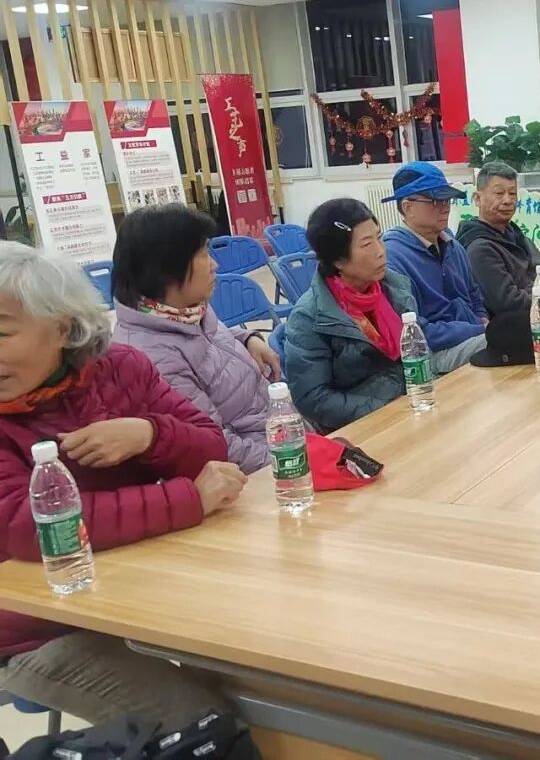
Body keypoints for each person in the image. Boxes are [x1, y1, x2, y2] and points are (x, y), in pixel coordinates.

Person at [0, 242, 246, 729]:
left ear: (63, 328)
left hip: (140, 586)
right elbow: (24, 526)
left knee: (263, 664)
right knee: (204, 723)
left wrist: (148, 434)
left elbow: (210, 446)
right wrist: (187, 499)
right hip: (40, 627)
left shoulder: (119, 368)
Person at [111, 205, 280, 474]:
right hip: (262, 469)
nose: (214, 265)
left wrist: (247, 338)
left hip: (278, 433)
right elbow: (217, 447)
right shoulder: (154, 359)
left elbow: (211, 341)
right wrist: (293, 458)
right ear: (166, 268)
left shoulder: (186, 311)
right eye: (202, 254)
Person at [285, 198, 418, 432]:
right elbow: (313, 399)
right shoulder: (309, 318)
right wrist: (386, 411)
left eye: (379, 237)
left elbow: (418, 352)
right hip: (363, 427)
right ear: (338, 260)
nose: (380, 252)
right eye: (366, 244)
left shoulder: (395, 288)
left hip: (410, 406)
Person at [381, 162, 489, 374]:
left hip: (474, 335)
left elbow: (474, 297)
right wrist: (480, 330)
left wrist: (483, 320)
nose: (445, 207)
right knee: (513, 341)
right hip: (433, 353)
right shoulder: (392, 257)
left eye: (447, 199)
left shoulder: (453, 246)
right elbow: (415, 329)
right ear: (408, 207)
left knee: (520, 331)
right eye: (435, 201)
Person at [457, 161, 540, 316]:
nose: (507, 200)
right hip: (523, 323)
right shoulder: (479, 249)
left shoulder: (516, 235)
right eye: (499, 193)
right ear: (477, 199)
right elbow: (510, 303)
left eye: (512, 193)